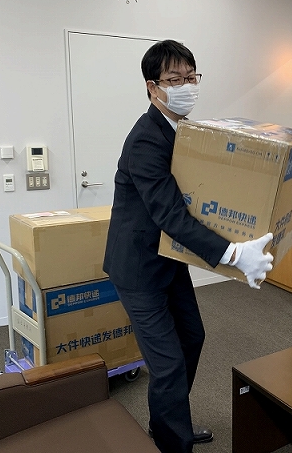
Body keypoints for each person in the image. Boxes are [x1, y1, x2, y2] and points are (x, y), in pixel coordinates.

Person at [103, 39, 274, 453]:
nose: (186, 86)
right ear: (153, 88)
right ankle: (172, 443)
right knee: (167, 363)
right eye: (175, 79)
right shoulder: (146, 140)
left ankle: (169, 422)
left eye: (191, 77)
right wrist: (234, 253)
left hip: (167, 259)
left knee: (192, 338)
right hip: (138, 269)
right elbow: (170, 214)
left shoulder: (185, 131)